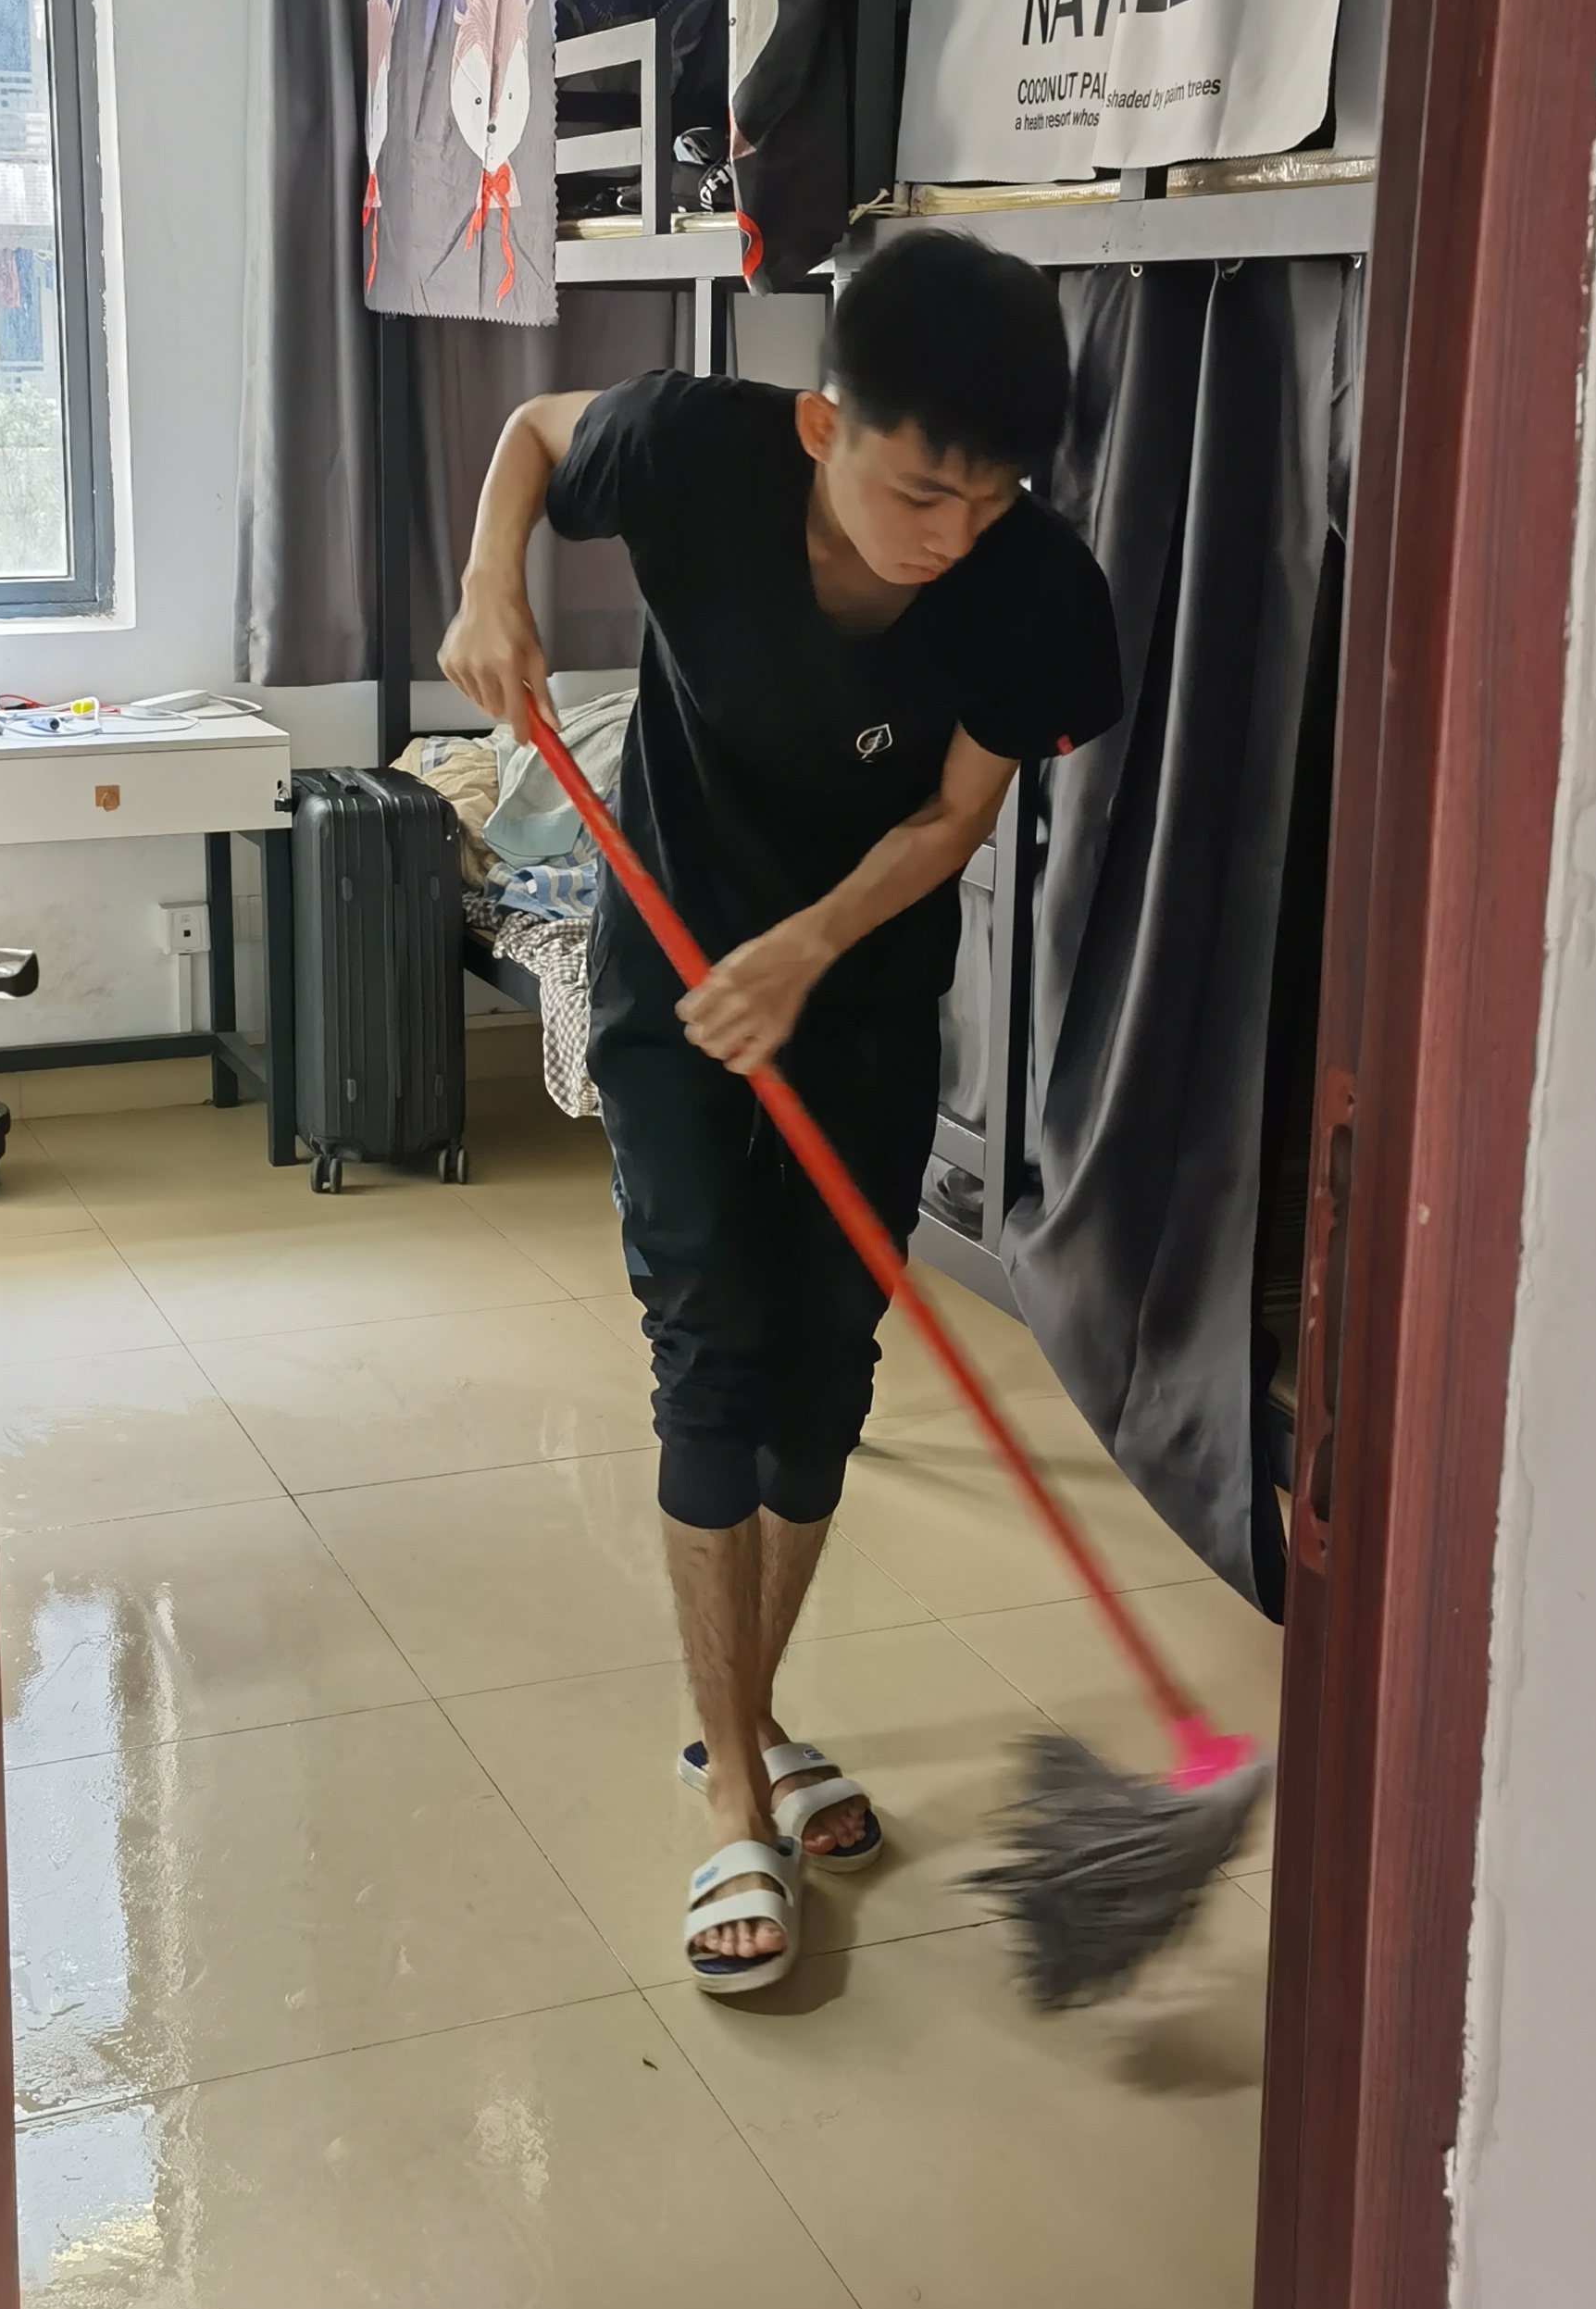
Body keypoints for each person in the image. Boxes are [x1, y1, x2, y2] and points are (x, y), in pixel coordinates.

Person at [437, 228, 1122, 1992]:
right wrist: (492, 581)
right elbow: (533, 434)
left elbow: (955, 817)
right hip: (669, 967)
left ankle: (741, 1714)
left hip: (862, 989)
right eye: (918, 491)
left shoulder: (1033, 586)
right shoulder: (695, 447)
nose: (949, 536)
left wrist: (807, 952)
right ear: (825, 426)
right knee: (716, 1347)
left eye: (989, 499)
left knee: (826, 1372)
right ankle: (738, 1786)